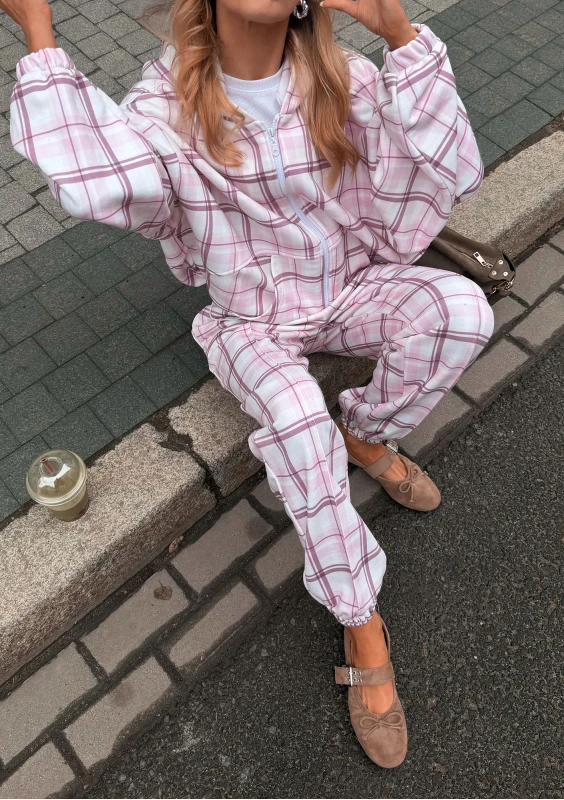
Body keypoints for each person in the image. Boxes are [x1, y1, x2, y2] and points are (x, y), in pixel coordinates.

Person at [4, 0, 493, 768]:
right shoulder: (166, 103)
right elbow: (99, 183)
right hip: (251, 321)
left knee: (462, 312)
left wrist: (402, 36)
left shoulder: (344, 78)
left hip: (348, 289)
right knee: (297, 420)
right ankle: (360, 620)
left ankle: (365, 433)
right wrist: (39, 34)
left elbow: (454, 170)